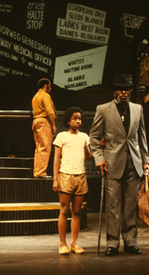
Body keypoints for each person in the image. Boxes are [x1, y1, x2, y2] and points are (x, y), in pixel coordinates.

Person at [89, 74, 149, 256]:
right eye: (120, 89)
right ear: (115, 91)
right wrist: (99, 158)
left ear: (130, 91)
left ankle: (130, 242)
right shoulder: (103, 109)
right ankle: (113, 243)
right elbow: (93, 137)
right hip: (112, 163)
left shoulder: (138, 109)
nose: (123, 92)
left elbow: (142, 136)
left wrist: (146, 160)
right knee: (112, 205)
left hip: (134, 162)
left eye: (126, 89)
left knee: (131, 205)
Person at [52, 107, 92, 255]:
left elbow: (88, 156)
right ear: (68, 120)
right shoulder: (62, 136)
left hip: (80, 176)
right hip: (65, 175)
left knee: (77, 211)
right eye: (75, 118)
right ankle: (62, 244)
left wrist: (99, 147)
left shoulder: (84, 137)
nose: (78, 121)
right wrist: (55, 179)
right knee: (64, 210)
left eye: (80, 118)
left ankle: (74, 244)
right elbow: (56, 158)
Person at [32, 78, 57, 178]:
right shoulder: (45, 95)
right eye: (50, 86)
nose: (50, 88)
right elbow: (49, 111)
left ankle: (37, 172)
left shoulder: (35, 97)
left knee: (39, 148)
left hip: (36, 121)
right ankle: (41, 172)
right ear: (46, 85)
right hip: (44, 122)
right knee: (45, 147)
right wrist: (53, 124)